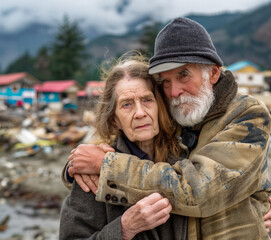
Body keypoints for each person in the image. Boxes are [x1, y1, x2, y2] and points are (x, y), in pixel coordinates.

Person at [67, 17, 271, 239]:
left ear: (213, 73)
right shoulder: (178, 113)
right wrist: (76, 166)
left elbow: (198, 191)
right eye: (165, 81)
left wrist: (107, 166)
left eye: (183, 75)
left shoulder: (247, 114)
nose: (174, 91)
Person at [59, 57, 188, 239]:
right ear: (114, 119)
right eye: (127, 104)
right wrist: (123, 229)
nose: (140, 113)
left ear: (161, 106)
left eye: (147, 100)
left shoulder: (187, 157)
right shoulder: (95, 173)